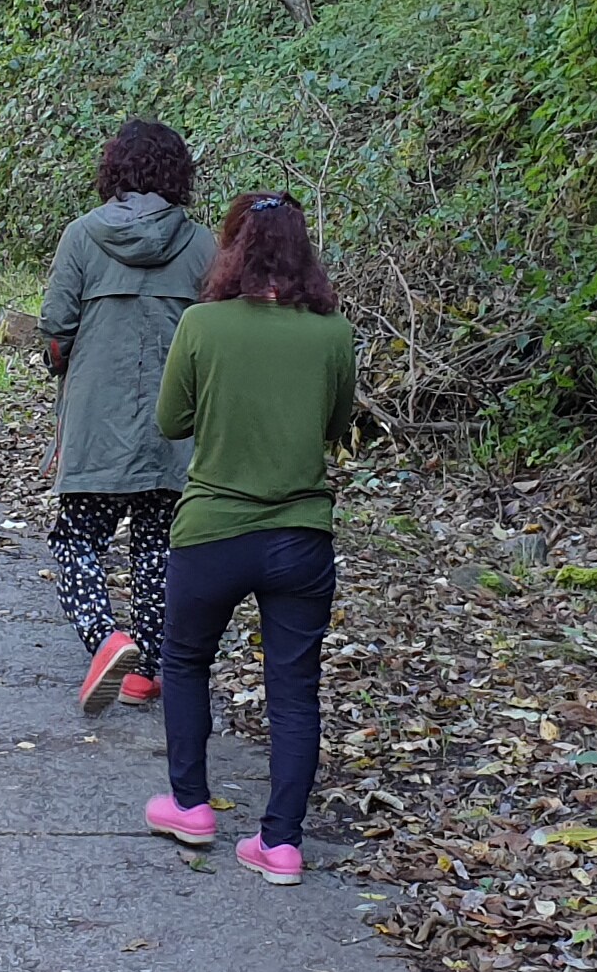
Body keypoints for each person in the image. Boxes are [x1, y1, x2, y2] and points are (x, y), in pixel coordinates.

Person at [143, 191, 358, 885]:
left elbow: (171, 421)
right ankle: (282, 845)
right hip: (301, 535)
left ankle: (190, 806)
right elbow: (333, 427)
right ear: (303, 253)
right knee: (295, 689)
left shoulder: (203, 325)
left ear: (231, 247)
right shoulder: (333, 334)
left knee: (184, 662)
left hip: (211, 531)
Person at [37, 119, 213, 715]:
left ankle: (105, 639)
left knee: (75, 539)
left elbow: (56, 331)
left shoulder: (82, 237)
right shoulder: (202, 245)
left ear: (113, 171)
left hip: (96, 424)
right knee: (157, 546)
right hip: (177, 428)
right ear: (176, 176)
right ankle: (144, 671)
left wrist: (63, 358)